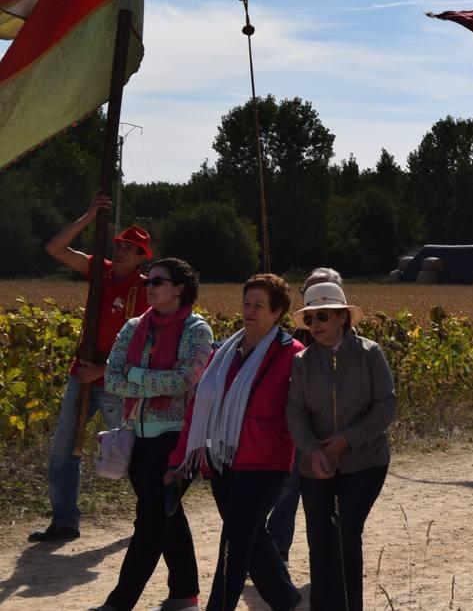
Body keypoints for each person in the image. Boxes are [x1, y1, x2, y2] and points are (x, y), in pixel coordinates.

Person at [168, 273, 303, 611]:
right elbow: (198, 405)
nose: (250, 310)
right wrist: (178, 459)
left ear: (277, 313)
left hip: (264, 464)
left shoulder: (293, 354)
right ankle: (288, 601)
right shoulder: (224, 352)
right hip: (221, 462)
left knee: (234, 543)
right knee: (251, 538)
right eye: (247, 302)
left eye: (260, 305)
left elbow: (300, 410)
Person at [31, 196, 153, 544]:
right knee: (63, 450)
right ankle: (65, 522)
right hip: (80, 373)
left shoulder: (147, 290)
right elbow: (55, 248)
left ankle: (153, 515)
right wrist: (88, 216)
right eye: (119, 245)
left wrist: (101, 371)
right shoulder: (99, 270)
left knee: (129, 451)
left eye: (130, 248)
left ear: (144, 256)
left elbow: (143, 347)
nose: (122, 251)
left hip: (116, 381)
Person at [97, 257, 214, 611]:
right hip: (137, 434)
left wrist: (135, 376)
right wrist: (145, 379)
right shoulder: (134, 327)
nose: (149, 286)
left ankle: (120, 602)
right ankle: (184, 594)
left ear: (179, 288)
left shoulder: (197, 330)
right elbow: (111, 378)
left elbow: (184, 380)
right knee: (166, 514)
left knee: (149, 518)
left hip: (177, 438)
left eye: (158, 282)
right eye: (149, 280)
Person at [287, 282, 397, 611]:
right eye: (309, 319)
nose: (315, 324)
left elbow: (385, 405)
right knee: (320, 539)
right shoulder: (302, 361)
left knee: (347, 532)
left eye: (322, 316)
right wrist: (313, 450)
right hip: (315, 463)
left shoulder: (370, 353)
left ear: (342, 318)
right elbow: (294, 411)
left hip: (366, 460)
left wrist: (347, 439)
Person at [266, 267, 332, 564]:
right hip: (295, 430)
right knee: (287, 490)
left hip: (334, 434)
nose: (316, 304)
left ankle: (330, 556)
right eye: (310, 295)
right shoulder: (287, 341)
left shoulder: (355, 347)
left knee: (330, 498)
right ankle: (277, 552)